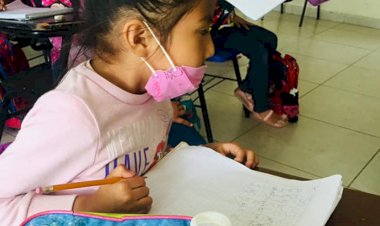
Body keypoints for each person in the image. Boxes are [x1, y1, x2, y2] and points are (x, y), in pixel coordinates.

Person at [0, 0, 259, 225]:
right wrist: (87, 206)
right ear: (139, 38)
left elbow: (144, 157)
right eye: (202, 31)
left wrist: (203, 158)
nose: (211, 48)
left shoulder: (153, 93)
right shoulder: (72, 115)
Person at [212, 0, 288, 128]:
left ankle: (246, 89)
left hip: (226, 24)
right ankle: (260, 108)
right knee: (258, 50)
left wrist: (232, 16)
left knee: (269, 39)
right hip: (208, 33)